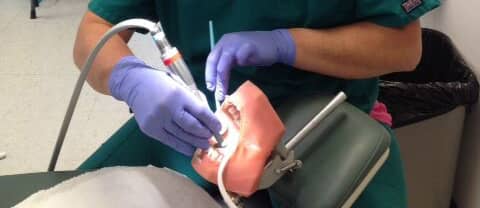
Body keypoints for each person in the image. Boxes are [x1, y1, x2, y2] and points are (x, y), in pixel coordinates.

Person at [73, 0, 440, 207]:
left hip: (326, 125)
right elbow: (93, 32)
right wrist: (129, 78)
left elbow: (404, 47)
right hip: (199, 124)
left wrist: (287, 44)